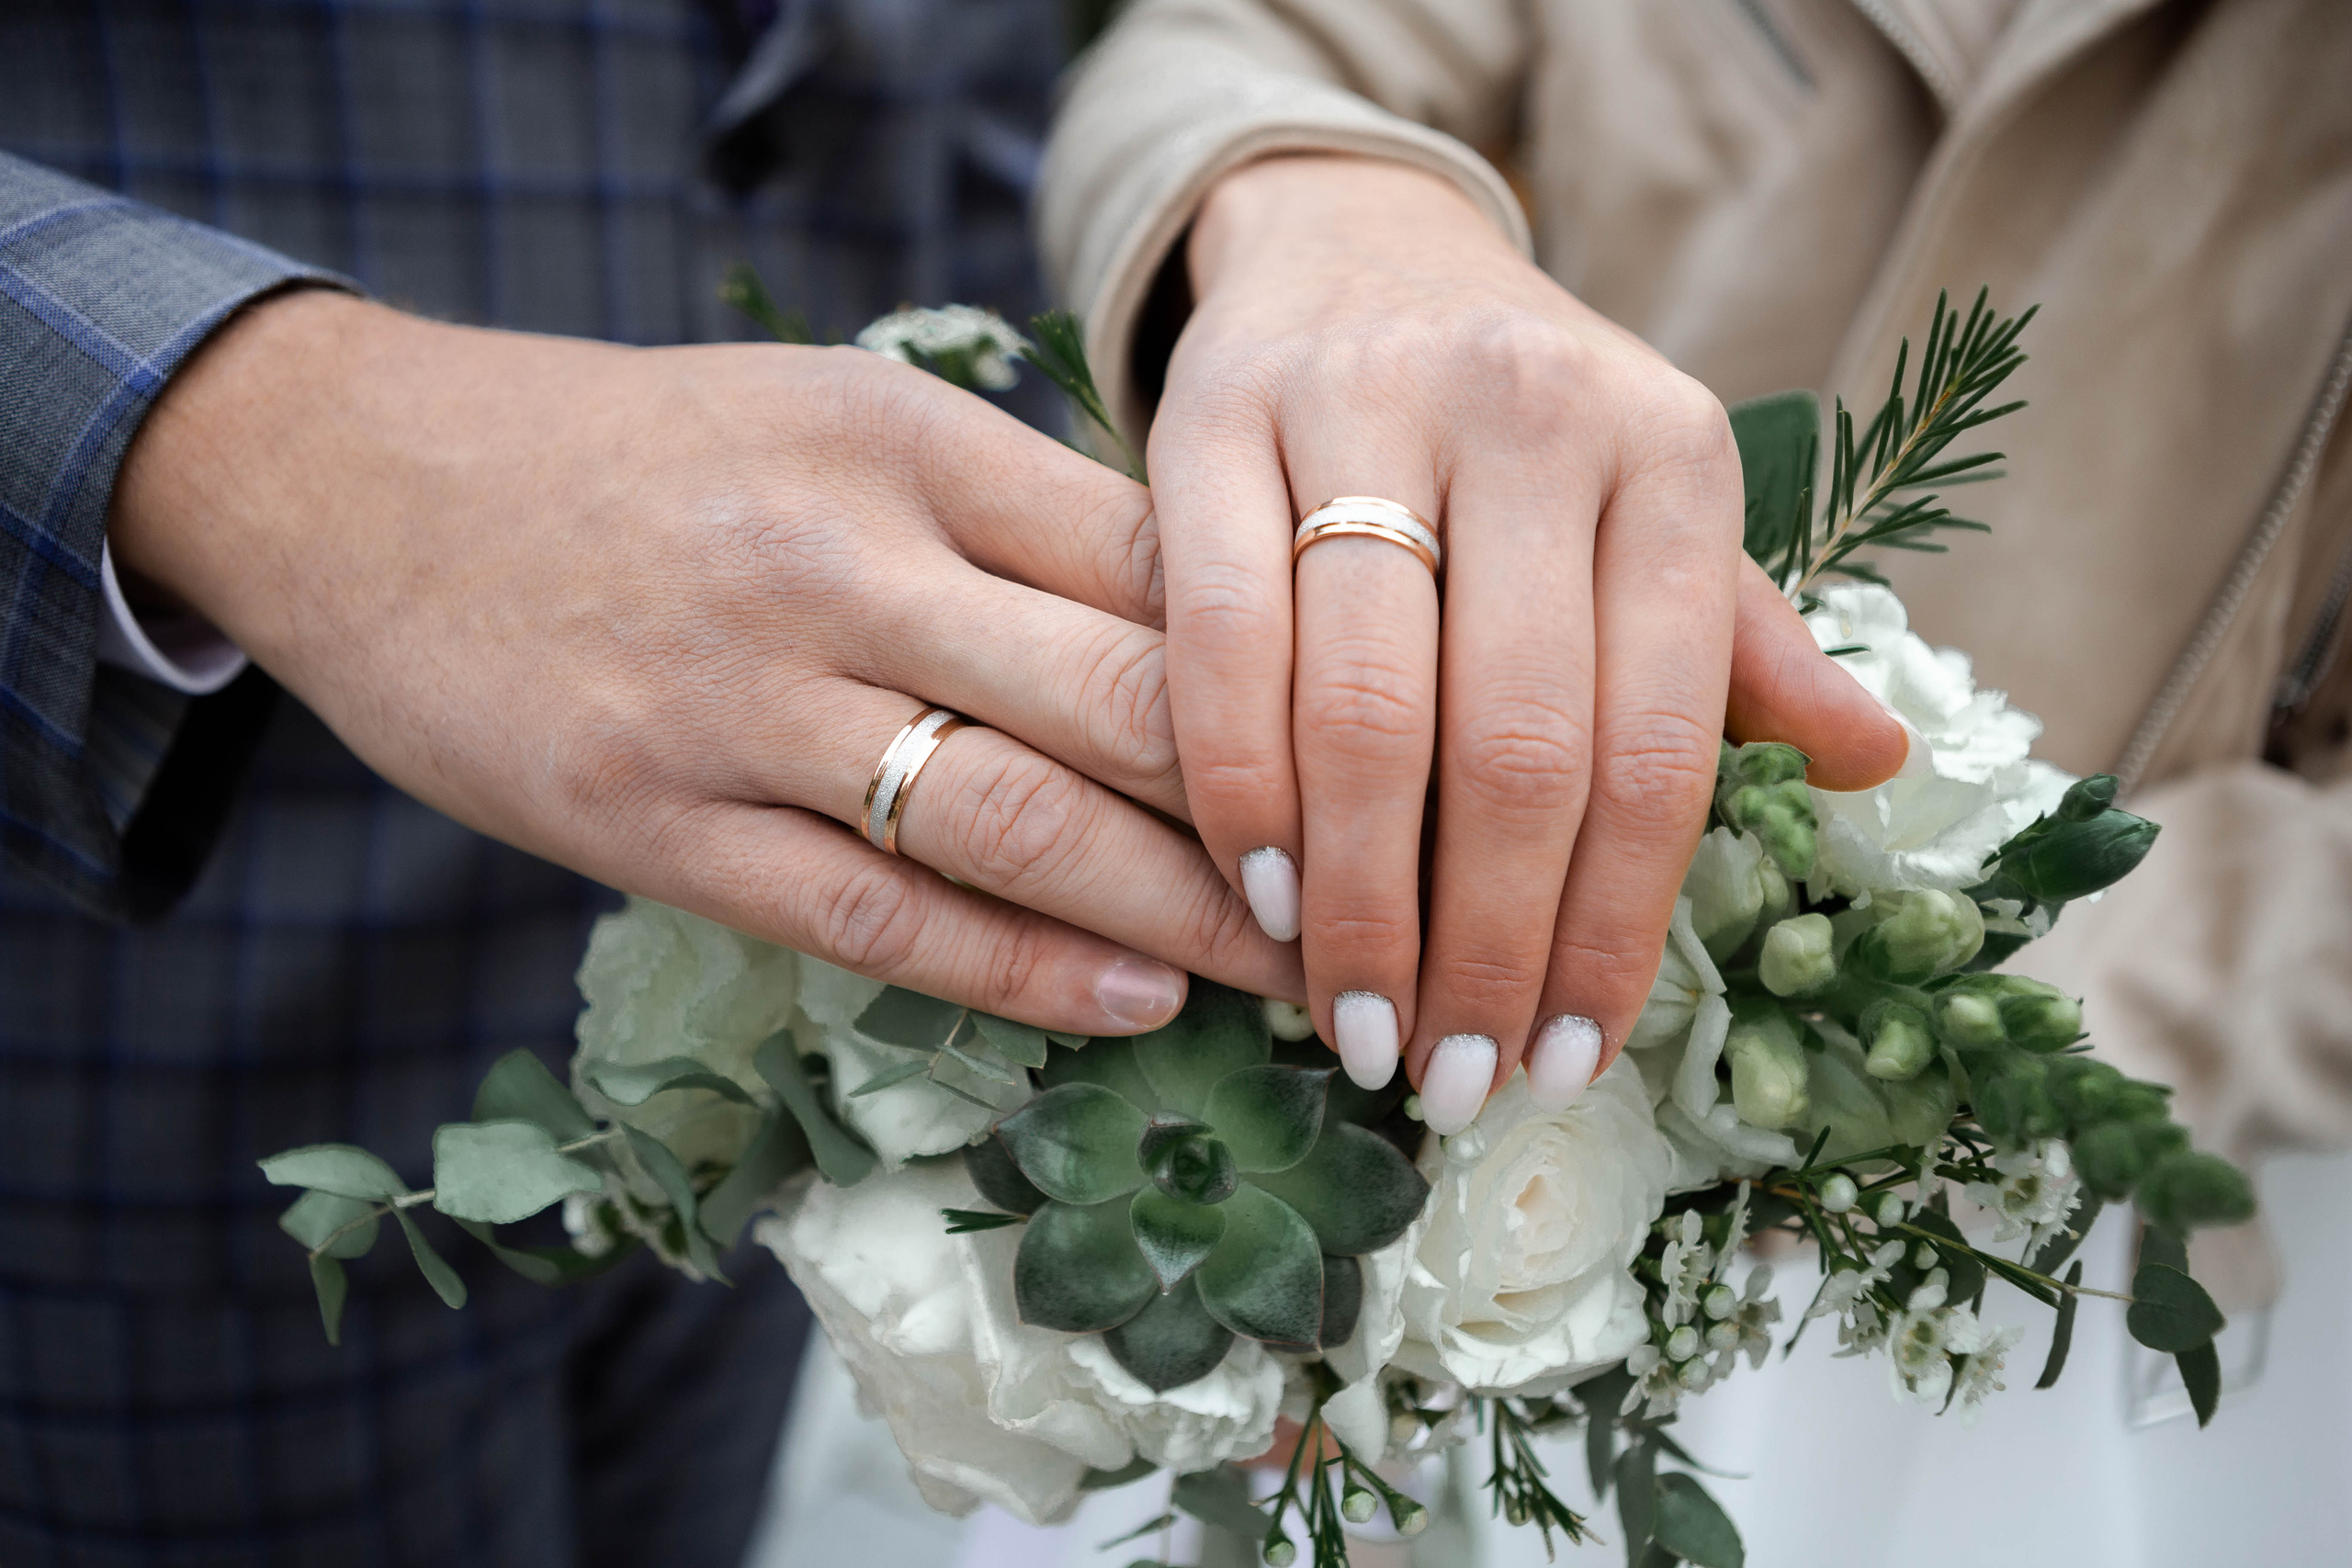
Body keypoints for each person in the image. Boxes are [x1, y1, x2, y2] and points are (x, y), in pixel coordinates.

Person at [1035, 0, 2352, 1557]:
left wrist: (1907, 1001)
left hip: (2043, 1221)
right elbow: (1235, 39)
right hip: (1355, 1037)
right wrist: (1325, 196)